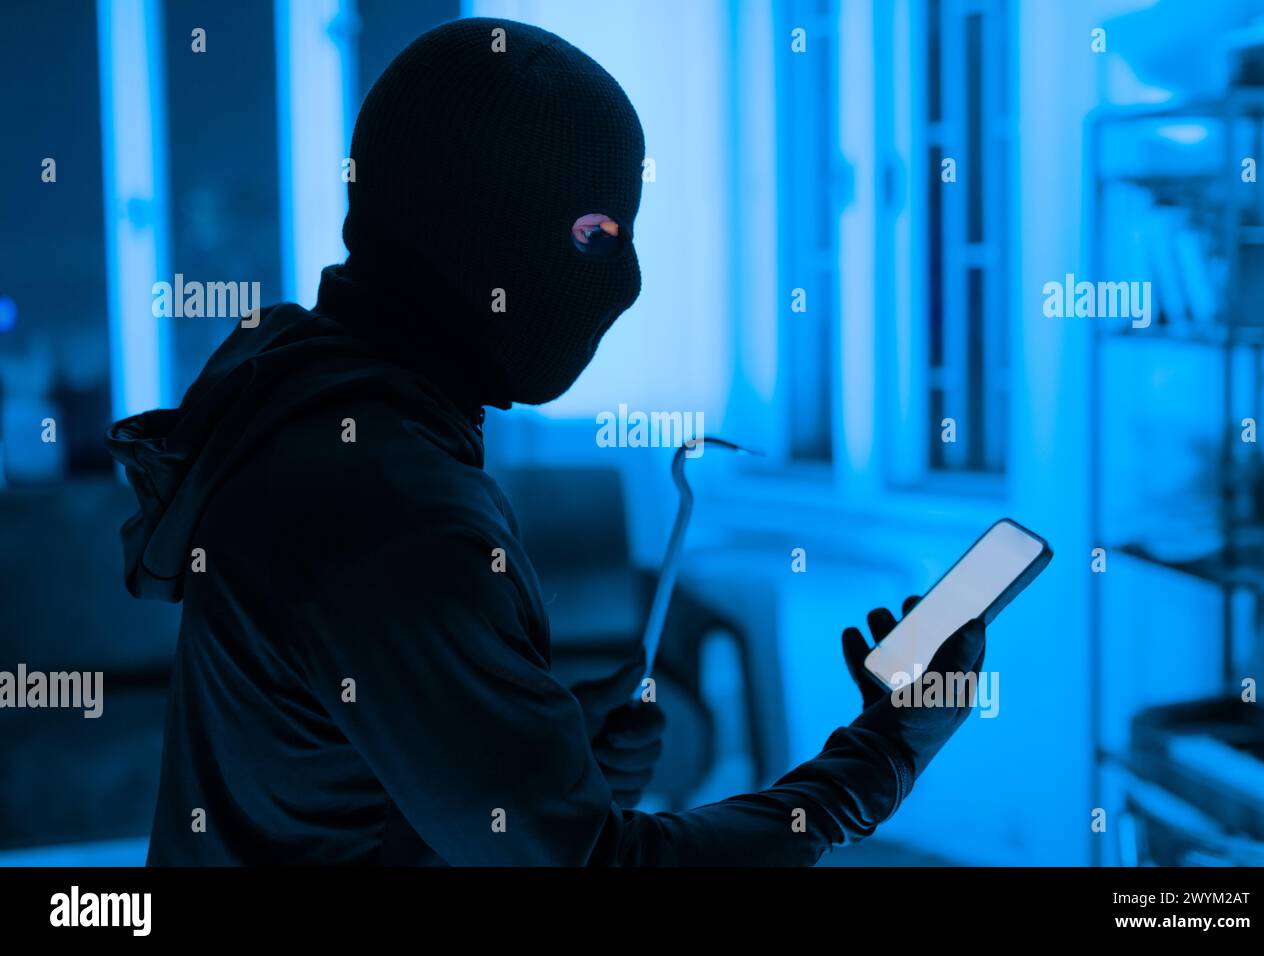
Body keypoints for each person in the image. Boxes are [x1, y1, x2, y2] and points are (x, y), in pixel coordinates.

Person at [107, 17, 984, 866]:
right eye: (594, 233)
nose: (628, 282)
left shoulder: (305, 407)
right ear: (476, 227)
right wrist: (877, 760)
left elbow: (335, 794)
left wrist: (538, 766)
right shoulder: (396, 507)